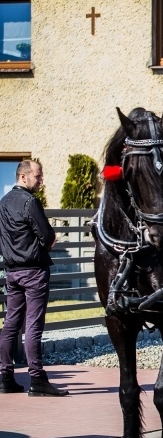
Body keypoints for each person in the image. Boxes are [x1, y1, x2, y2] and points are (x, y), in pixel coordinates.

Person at [0, 160, 68, 396]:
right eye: (38, 176)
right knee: (33, 326)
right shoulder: (30, 202)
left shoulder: (3, 202)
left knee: (10, 324)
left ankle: (6, 377)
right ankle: (37, 380)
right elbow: (47, 236)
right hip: (34, 271)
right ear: (24, 176)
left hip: (12, 272)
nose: (41, 181)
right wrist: (50, 240)